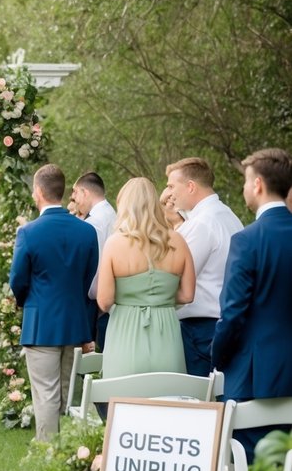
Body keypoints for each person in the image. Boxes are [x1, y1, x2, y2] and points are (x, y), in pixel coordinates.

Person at [212, 148, 292, 461]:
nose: (245, 189)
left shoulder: (248, 240)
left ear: (257, 184)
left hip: (255, 378)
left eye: (246, 182)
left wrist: (217, 357)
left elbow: (232, 315)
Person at [9, 164, 98, 439]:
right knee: (64, 393)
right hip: (74, 323)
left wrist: (29, 303)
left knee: (46, 393)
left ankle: (47, 456)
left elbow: (17, 280)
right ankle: (64, 451)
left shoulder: (29, 232)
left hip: (41, 324)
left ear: (38, 191)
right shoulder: (87, 231)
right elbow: (88, 275)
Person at [97, 177, 195, 379]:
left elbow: (104, 301)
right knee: (167, 402)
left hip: (124, 335)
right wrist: (160, 299)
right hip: (167, 335)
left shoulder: (115, 244)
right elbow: (187, 295)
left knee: (124, 402)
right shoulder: (178, 241)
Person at [164, 156, 243, 378]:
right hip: (223, 323)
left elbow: (173, 277)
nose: (169, 193)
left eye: (171, 186)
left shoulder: (201, 224)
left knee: (197, 403)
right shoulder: (228, 216)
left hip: (200, 330)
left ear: (190, 187)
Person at [71, 171, 117, 349]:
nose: (75, 199)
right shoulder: (111, 213)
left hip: (96, 301)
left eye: (76, 193)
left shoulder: (94, 223)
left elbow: (94, 266)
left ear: (85, 192)